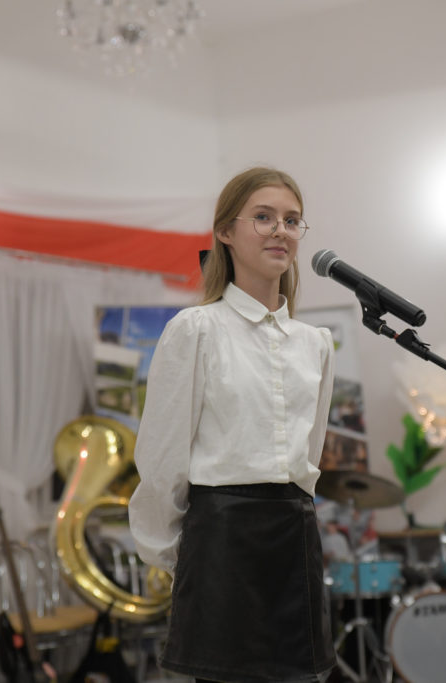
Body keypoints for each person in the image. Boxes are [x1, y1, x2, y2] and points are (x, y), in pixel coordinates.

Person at [128, 167, 336, 683]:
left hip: (294, 534)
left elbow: (308, 457)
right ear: (225, 231)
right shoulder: (196, 329)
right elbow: (162, 457)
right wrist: (179, 556)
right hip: (221, 539)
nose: (280, 231)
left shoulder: (315, 343)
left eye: (291, 220)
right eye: (263, 217)